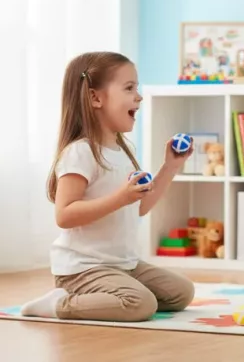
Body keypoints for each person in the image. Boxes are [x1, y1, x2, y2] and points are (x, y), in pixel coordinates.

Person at [20, 51, 195, 322]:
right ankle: (60, 303)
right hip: (83, 269)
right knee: (140, 304)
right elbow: (64, 215)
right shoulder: (80, 152)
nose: (139, 97)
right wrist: (120, 198)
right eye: (129, 88)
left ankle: (111, 295)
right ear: (95, 98)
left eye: (137, 88)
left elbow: (139, 207)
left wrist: (170, 167)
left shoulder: (123, 151)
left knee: (182, 293)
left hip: (123, 265)